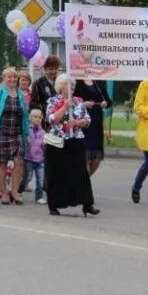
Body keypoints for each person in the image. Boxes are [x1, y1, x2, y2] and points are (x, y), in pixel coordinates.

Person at [44, 74, 98, 217]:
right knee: (56, 174)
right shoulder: (52, 100)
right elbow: (51, 119)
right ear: (61, 87)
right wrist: (64, 107)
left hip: (75, 139)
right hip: (57, 141)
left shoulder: (78, 101)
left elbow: (87, 119)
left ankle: (87, 204)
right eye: (68, 86)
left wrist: (78, 123)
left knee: (81, 173)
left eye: (73, 86)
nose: (71, 89)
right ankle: (54, 205)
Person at [0, 67, 29, 205]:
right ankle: (4, 193)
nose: (12, 79)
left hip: (16, 133)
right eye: (9, 77)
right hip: (2, 133)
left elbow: (25, 117)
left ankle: (14, 192)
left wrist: (26, 133)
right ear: (4, 79)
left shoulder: (21, 95)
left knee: (19, 161)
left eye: (14, 77)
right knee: (2, 162)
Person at [74, 75, 109, 177]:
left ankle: (84, 182)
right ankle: (84, 186)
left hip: (96, 121)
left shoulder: (98, 82)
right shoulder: (76, 81)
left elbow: (108, 101)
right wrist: (83, 104)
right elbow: (70, 100)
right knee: (84, 156)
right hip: (82, 120)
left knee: (96, 159)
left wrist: (105, 103)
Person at [22, 109, 46, 204]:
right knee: (27, 177)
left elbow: (44, 145)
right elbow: (23, 139)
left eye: (40, 117)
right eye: (35, 117)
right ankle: (19, 192)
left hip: (40, 159)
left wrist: (45, 144)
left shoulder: (43, 131)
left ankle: (39, 197)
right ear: (30, 118)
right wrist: (26, 139)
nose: (38, 119)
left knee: (40, 179)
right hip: (29, 158)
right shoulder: (27, 130)